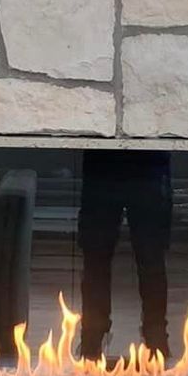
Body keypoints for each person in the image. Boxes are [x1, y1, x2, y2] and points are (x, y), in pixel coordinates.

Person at [77, 150, 172, 360]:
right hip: (139, 163)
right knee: (148, 259)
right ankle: (154, 337)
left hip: (118, 163)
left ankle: (94, 338)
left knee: (146, 258)